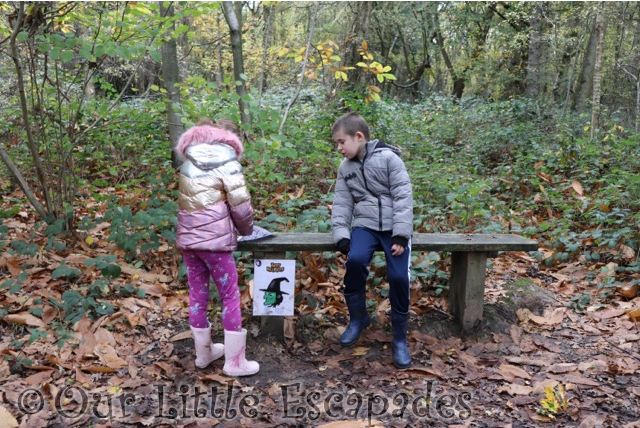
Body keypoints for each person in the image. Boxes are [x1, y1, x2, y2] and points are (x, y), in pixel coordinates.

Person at [175, 118, 259, 376]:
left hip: (190, 244)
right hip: (216, 245)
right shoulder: (228, 162)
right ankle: (235, 362)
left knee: (197, 294)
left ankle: (204, 354)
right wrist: (247, 232)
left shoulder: (188, 163)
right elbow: (241, 206)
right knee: (230, 296)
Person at [330, 112, 414, 369]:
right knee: (354, 261)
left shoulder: (389, 159)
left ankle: (399, 338)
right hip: (365, 225)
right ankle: (358, 318)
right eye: (337, 144)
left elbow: (402, 196)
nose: (339, 148)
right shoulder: (346, 168)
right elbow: (343, 203)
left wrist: (401, 234)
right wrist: (342, 235)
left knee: (399, 276)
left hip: (392, 228)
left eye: (342, 142)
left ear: (359, 137)